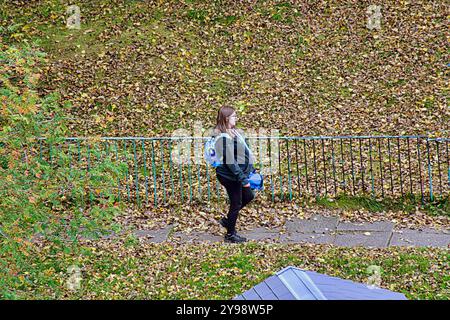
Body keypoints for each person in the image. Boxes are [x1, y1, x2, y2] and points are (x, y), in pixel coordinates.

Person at [211, 105, 256, 243]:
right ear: (226, 118)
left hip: (238, 174)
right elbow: (231, 162)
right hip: (229, 176)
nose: (236, 118)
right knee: (236, 202)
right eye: (234, 116)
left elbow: (242, 151)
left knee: (248, 196)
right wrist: (243, 179)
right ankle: (230, 234)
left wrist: (250, 169)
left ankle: (227, 220)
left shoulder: (232, 132)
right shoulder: (222, 138)